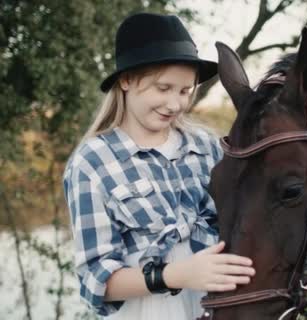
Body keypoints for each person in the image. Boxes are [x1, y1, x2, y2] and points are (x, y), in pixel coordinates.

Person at [63, 13, 255, 319]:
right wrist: (177, 275)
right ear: (126, 80)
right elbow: (96, 280)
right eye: (162, 88)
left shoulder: (206, 146)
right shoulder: (92, 162)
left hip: (220, 306)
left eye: (184, 91)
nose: (175, 104)